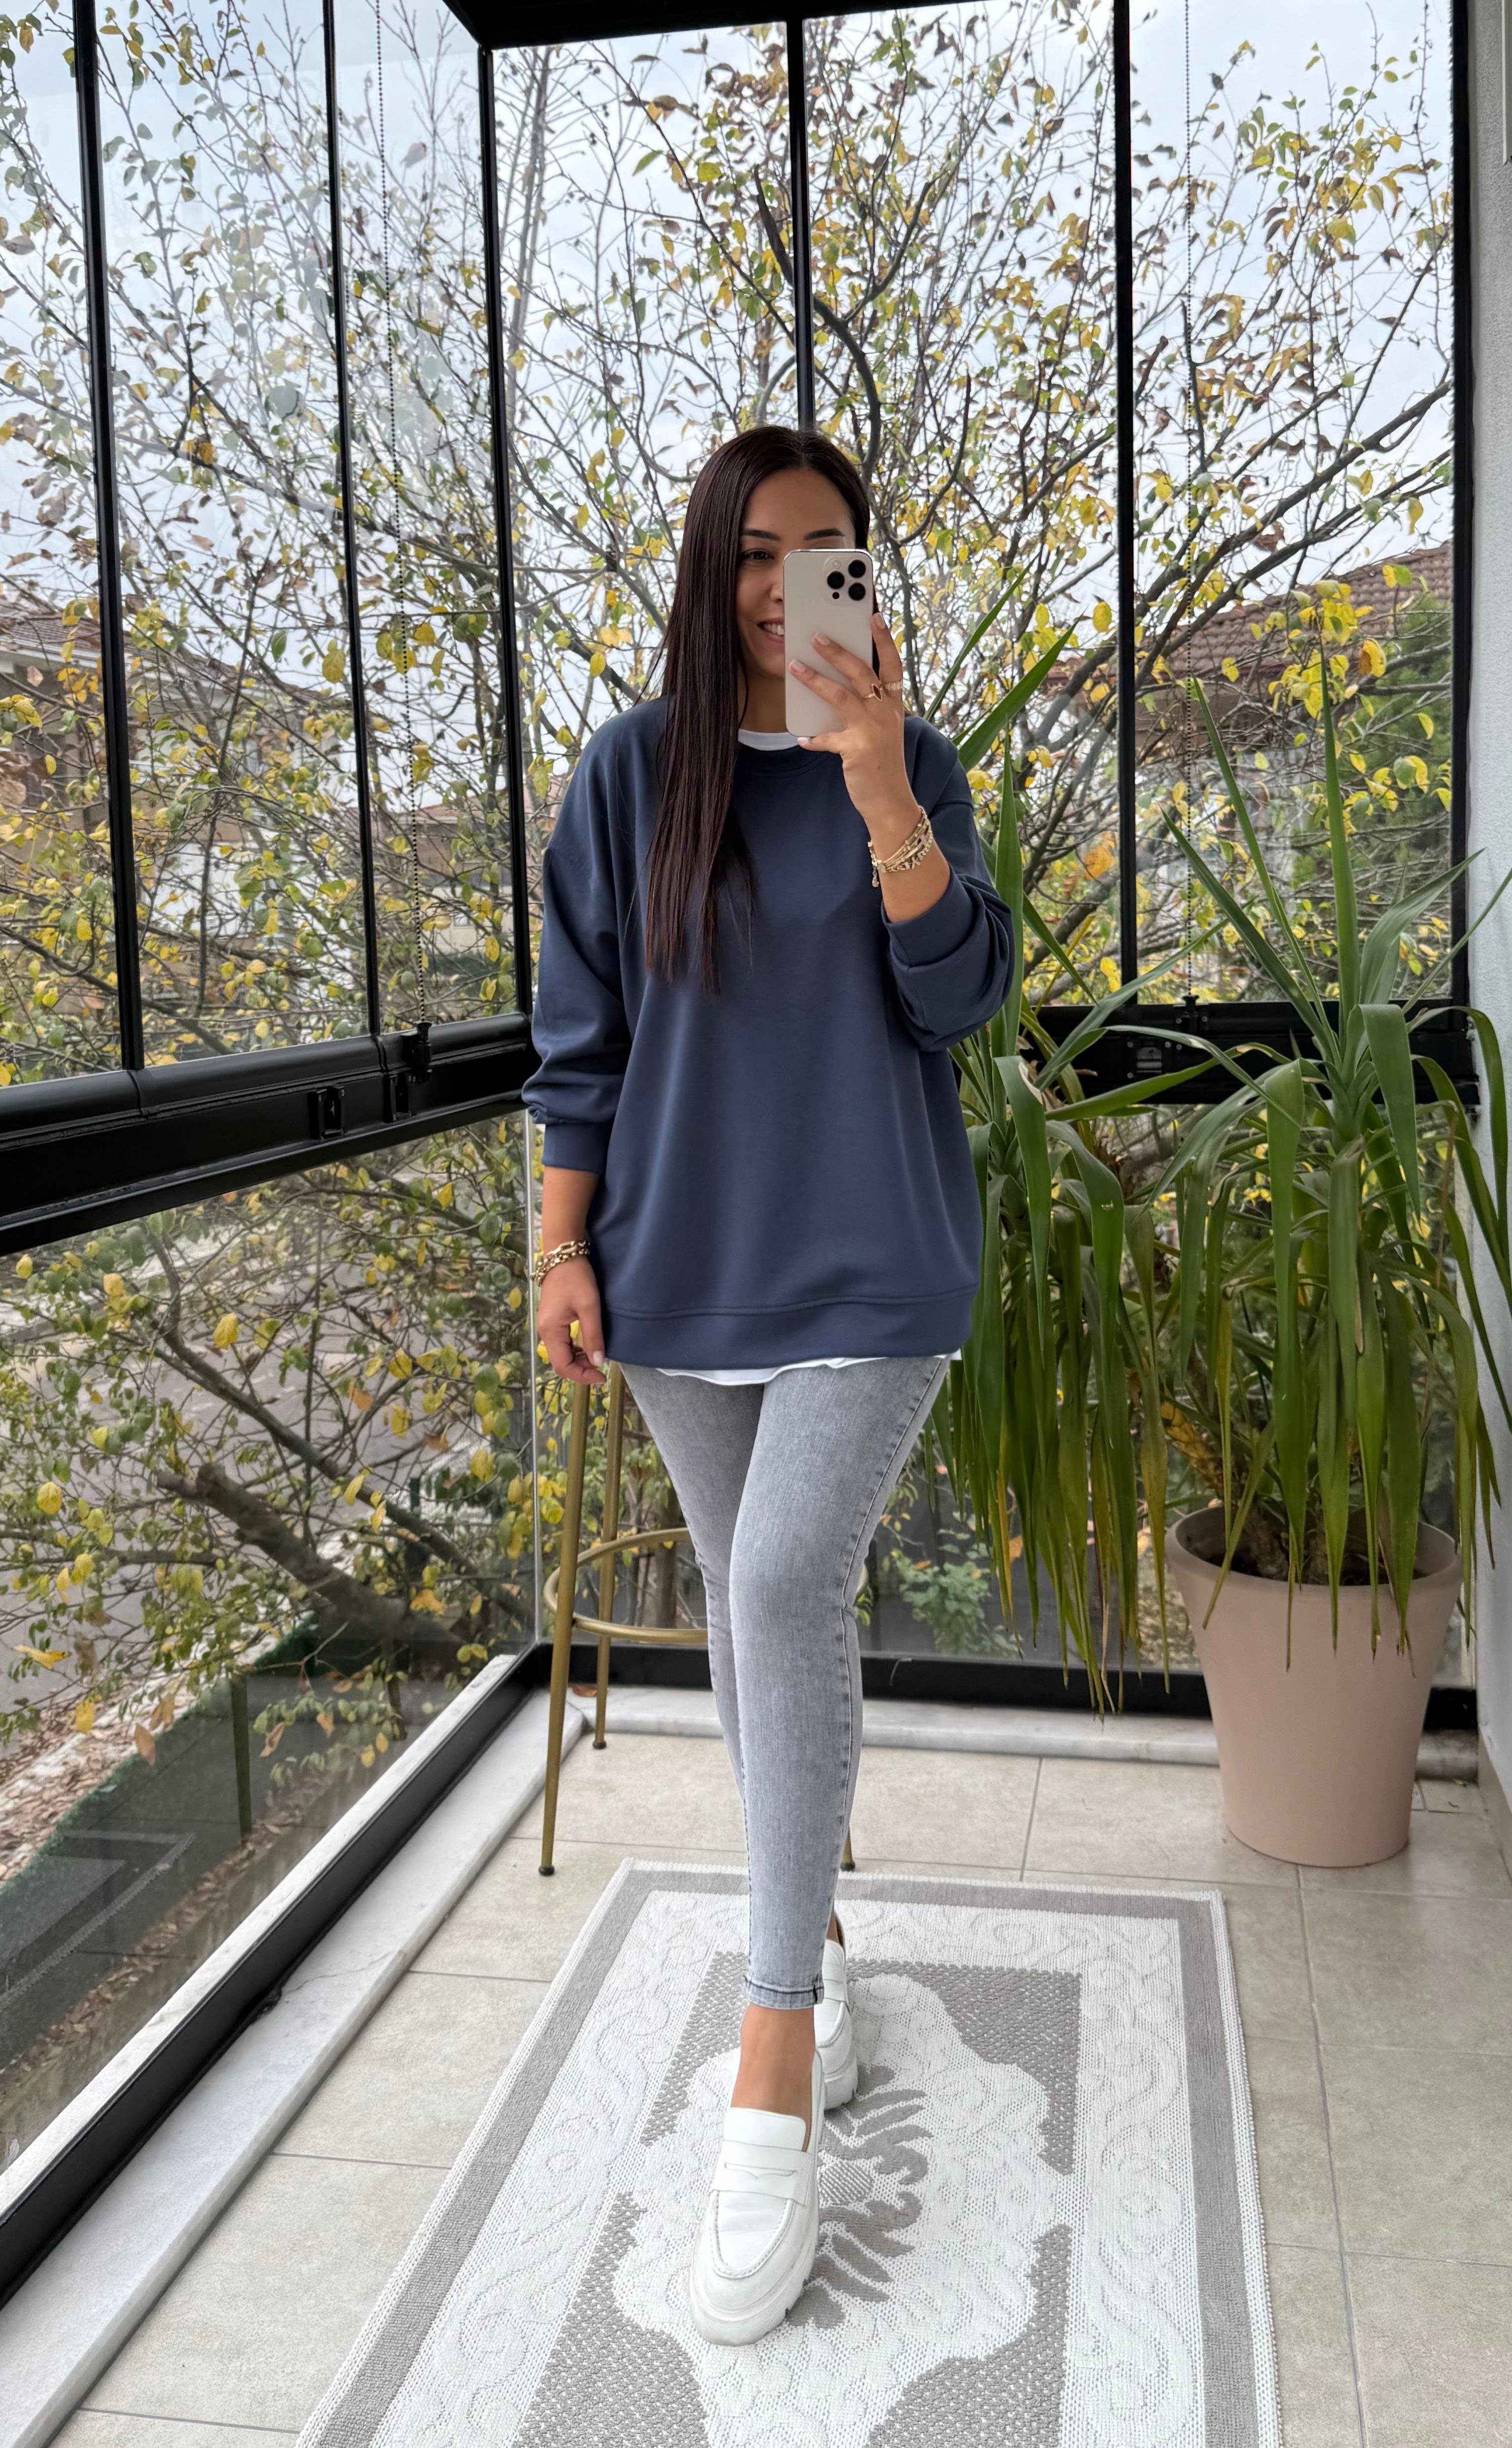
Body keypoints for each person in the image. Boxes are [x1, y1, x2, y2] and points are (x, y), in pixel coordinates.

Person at [520, 423, 1014, 2345]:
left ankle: (775, 2049)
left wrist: (880, 784)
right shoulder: (629, 775)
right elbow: (579, 1038)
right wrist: (561, 1250)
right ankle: (814, 1932)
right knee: (745, 1608)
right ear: (708, 564)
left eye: (820, 550)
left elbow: (958, 996)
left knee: (788, 1577)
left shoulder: (914, 759)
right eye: (752, 548)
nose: (778, 583)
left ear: (859, 576)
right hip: (675, 1276)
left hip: (876, 1263)